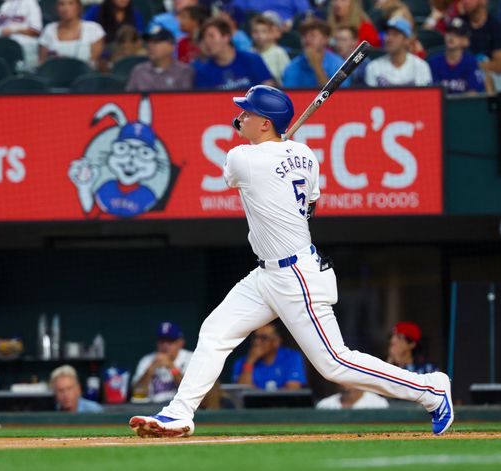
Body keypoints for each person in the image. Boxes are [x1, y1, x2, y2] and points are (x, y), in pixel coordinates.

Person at [128, 85, 453, 438]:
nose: (241, 117)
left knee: (335, 363)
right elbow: (312, 203)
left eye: (248, 113)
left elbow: (237, 171)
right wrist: (280, 149)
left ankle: (430, 389)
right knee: (215, 332)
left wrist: (266, 149)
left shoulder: (243, 159)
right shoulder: (306, 155)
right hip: (266, 273)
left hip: (296, 274)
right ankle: (180, 412)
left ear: (266, 123)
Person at [193, 16, 274, 89]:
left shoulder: (253, 60)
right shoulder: (203, 72)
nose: (207, 42)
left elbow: (269, 93)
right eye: (204, 38)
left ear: (226, 37)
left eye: (211, 36)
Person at [231, 322, 306, 390]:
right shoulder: (242, 362)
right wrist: (250, 362)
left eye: (263, 338)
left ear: (276, 342)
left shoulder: (291, 357)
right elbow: (242, 393)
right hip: (254, 405)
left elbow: (293, 390)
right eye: (255, 337)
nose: (256, 342)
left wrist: (258, 392)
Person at [132, 322, 194, 402]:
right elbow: (137, 394)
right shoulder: (147, 360)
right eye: (162, 341)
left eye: (170, 341)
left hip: (180, 409)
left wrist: (172, 367)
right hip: (151, 409)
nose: (165, 345)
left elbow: (191, 392)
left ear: (181, 343)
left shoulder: (190, 358)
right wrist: (150, 369)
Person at [282, 18, 349, 89]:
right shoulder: (292, 66)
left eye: (312, 35)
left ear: (325, 39)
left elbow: (340, 96)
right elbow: (290, 95)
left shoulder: (338, 64)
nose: (307, 39)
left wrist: (317, 66)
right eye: (304, 35)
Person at [364, 16, 432, 87]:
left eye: (395, 34)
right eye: (387, 33)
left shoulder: (420, 67)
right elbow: (371, 98)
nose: (389, 39)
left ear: (406, 40)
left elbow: (425, 97)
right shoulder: (374, 67)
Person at [0, 0, 43, 71]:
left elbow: (36, 31)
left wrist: (15, 29)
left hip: (24, 46)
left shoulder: (30, 3)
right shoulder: (6, 5)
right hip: (3, 46)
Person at [428, 17, 486, 95]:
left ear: (466, 41)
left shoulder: (471, 62)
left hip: (464, 106)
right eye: (448, 33)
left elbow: (474, 93)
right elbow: (429, 93)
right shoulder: (433, 62)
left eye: (457, 34)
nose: (451, 37)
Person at [38, 0, 105, 67]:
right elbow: (42, 62)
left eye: (71, 3)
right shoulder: (49, 29)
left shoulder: (94, 29)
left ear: (79, 7)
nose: (66, 8)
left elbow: (95, 63)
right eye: (61, 4)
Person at [460, 0, 501, 89]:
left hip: (491, 75)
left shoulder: (496, 27)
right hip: (462, 75)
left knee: (484, 77)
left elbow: (499, 66)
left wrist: (470, 65)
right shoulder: (459, 24)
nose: (464, 1)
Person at [126, 26, 193, 91]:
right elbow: (129, 100)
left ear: (171, 47)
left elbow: (187, 100)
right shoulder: (139, 71)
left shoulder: (183, 72)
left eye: (156, 42)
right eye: (149, 42)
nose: (151, 46)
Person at [250, 12, 289, 84]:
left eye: (263, 31)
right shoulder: (248, 54)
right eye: (256, 31)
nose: (259, 35)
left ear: (270, 33)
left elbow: (286, 80)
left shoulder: (279, 53)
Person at [232, 0, 312, 30]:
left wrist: (290, 23)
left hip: (285, 30)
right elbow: (237, 11)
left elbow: (304, 13)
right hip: (253, 30)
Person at [316, 385, 390, 409]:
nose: (346, 387)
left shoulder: (378, 403)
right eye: (342, 381)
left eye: (349, 381)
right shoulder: (325, 404)